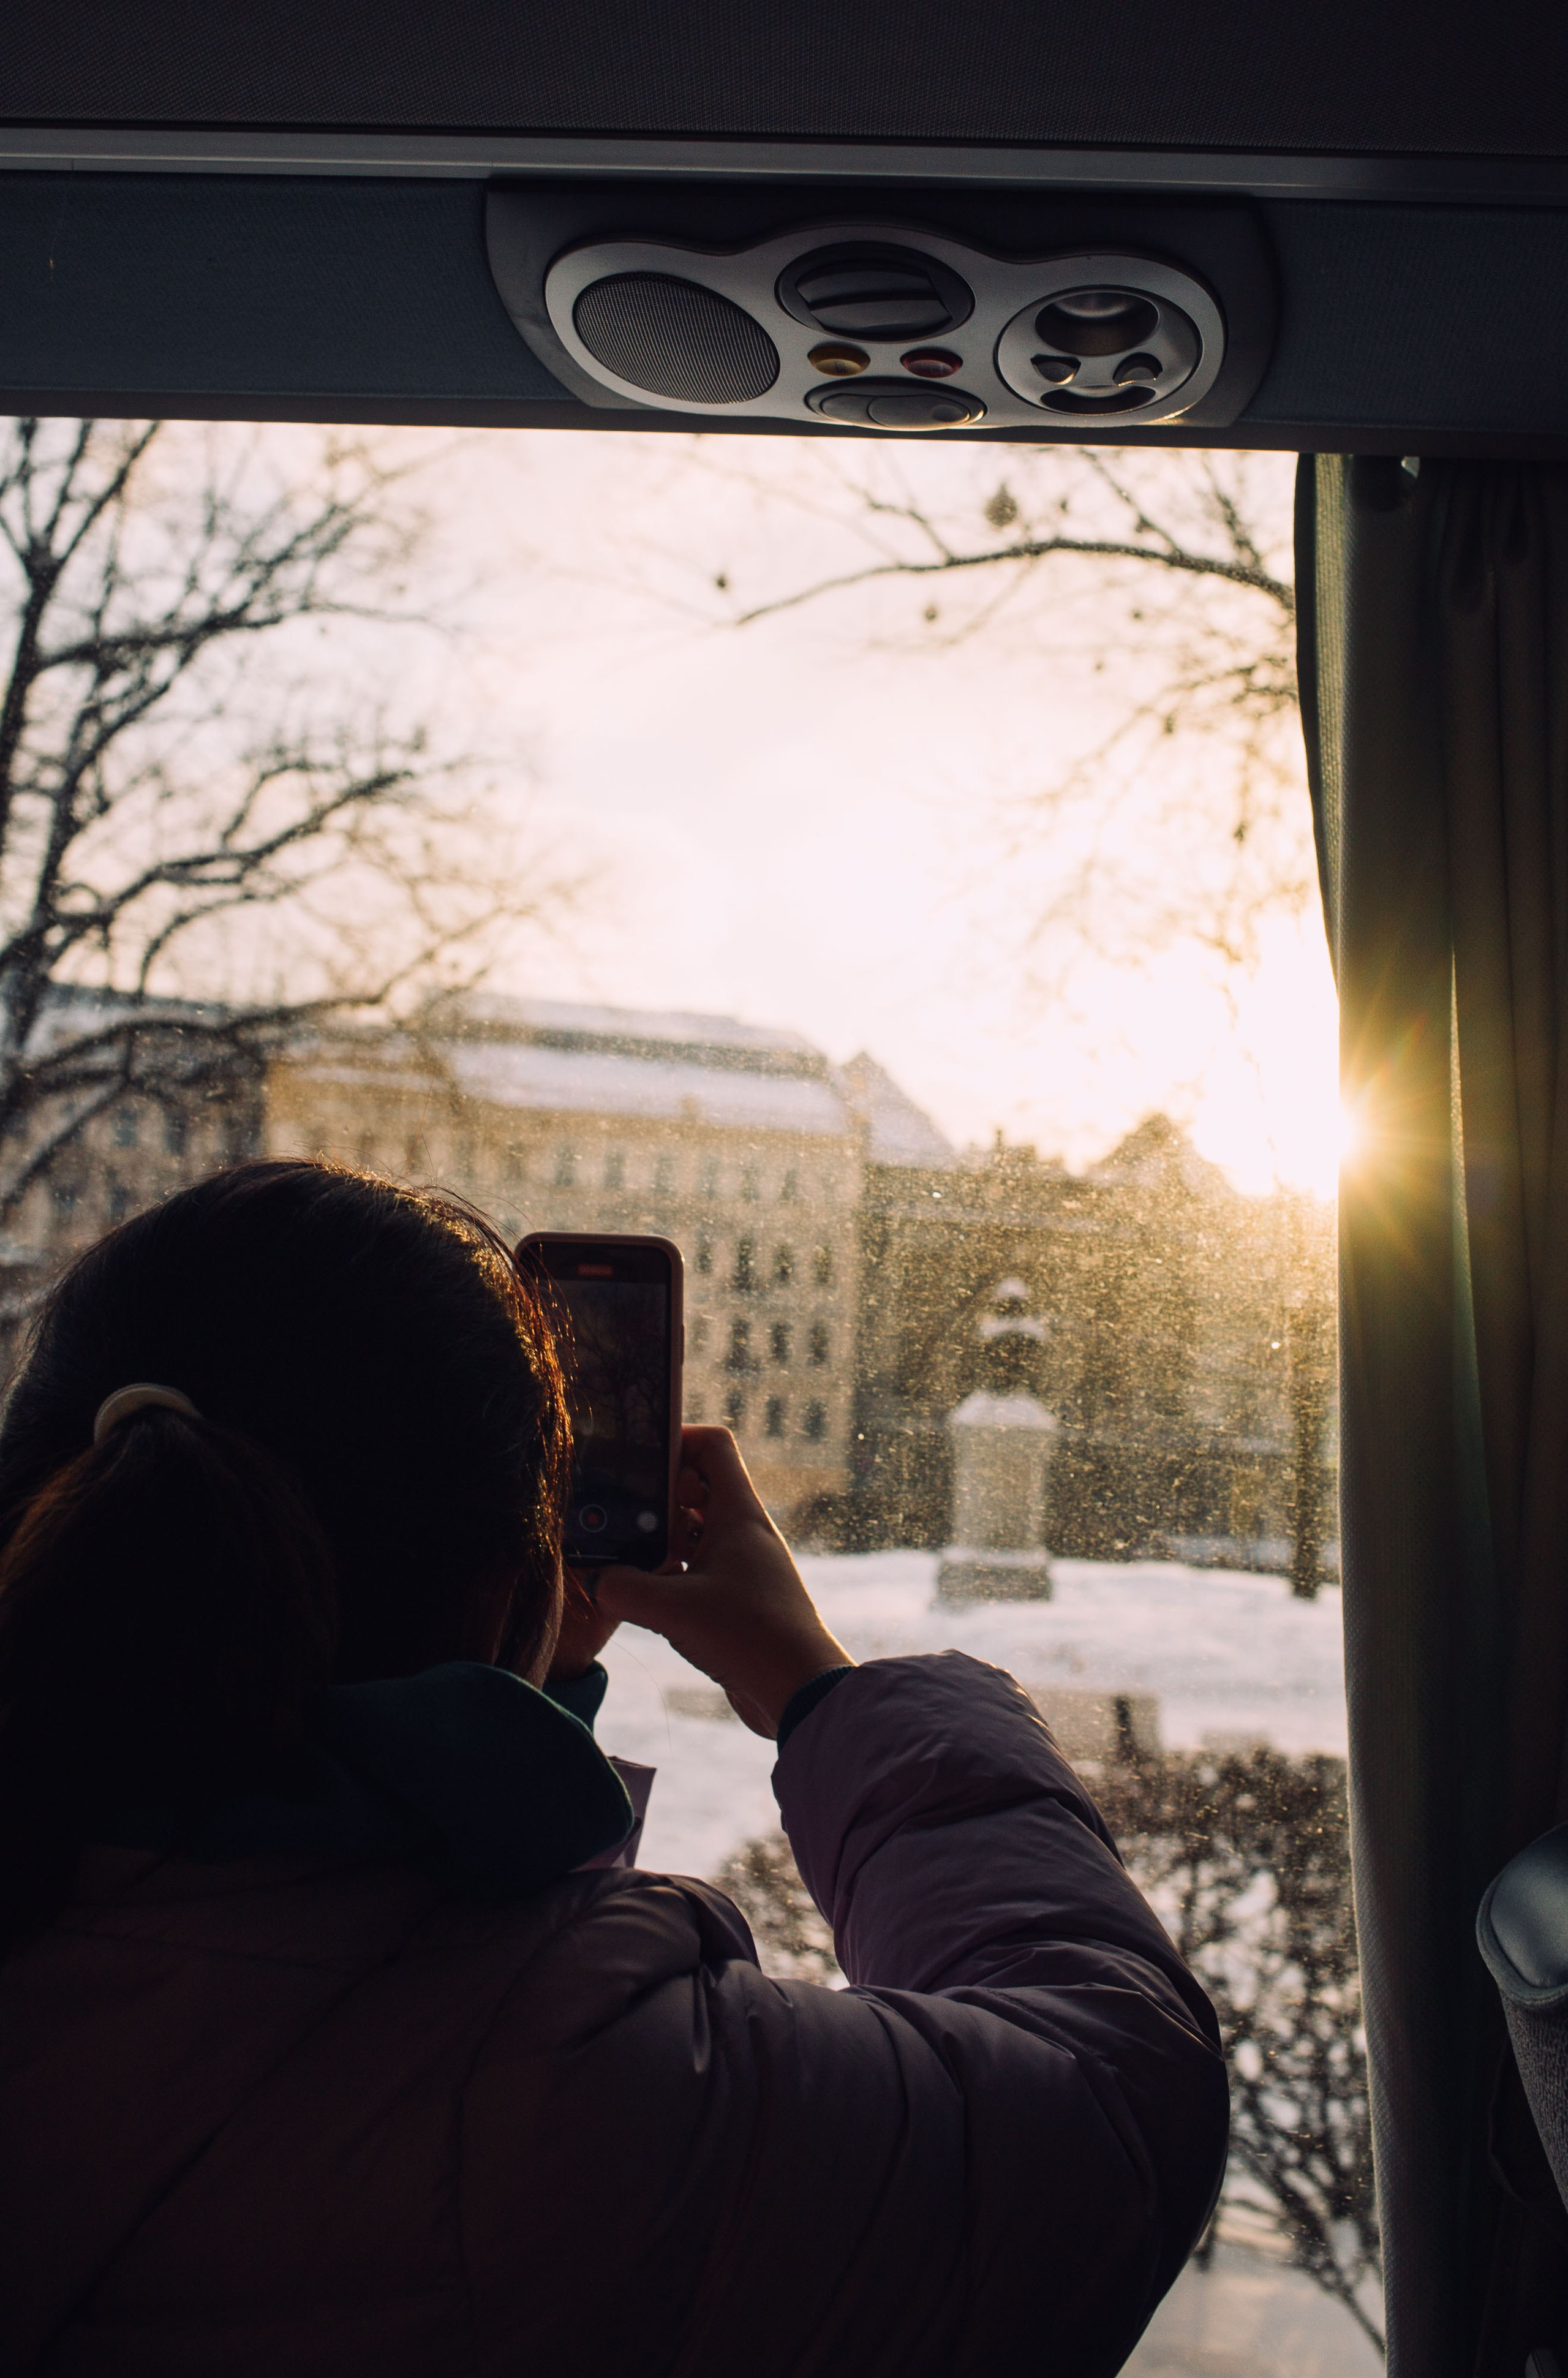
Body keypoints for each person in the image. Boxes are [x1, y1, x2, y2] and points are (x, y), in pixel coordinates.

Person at [0, 1161, 1227, 2377]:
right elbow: (1114, 2112)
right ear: (508, 1578)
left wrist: (500, 1700)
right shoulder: (575, 2097)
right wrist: (815, 1683)